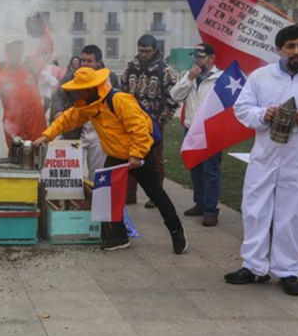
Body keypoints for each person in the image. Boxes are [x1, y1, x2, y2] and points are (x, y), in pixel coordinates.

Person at [225, 25, 298, 296]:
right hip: (266, 156)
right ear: (279, 50)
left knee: (294, 215)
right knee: (255, 210)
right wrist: (264, 114)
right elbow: (242, 107)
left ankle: (288, 271)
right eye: (290, 46)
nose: (296, 52)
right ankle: (254, 267)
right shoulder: (261, 76)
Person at [35, 67, 187, 253]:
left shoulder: (119, 100)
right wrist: (46, 136)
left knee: (155, 193)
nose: (76, 92)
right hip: (115, 155)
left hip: (138, 154)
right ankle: (117, 237)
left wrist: (136, 154)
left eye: (80, 88)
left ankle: (176, 231)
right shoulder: (88, 104)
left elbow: (139, 128)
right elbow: (68, 118)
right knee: (107, 197)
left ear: (91, 87)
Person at [121, 34, 179, 207]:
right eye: (140, 51)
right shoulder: (130, 68)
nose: (143, 54)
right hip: (133, 122)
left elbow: (173, 98)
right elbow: (122, 93)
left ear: (154, 50)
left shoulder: (165, 70)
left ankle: (155, 194)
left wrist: (162, 120)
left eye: (146, 51)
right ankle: (130, 193)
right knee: (131, 157)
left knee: (155, 160)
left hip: (155, 122)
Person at [170, 43, 223, 227]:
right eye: (195, 56)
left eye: (201, 56)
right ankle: (199, 203)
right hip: (191, 127)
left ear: (211, 58)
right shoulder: (189, 75)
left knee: (211, 171)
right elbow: (175, 95)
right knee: (195, 168)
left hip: (211, 130)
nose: (197, 60)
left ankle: (211, 209)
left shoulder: (221, 77)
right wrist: (189, 79)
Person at [50, 45, 120, 178]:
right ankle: (72, 197)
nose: (85, 64)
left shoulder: (111, 77)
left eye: (89, 61)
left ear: (98, 62)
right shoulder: (72, 76)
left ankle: (93, 197)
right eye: (83, 60)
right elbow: (58, 95)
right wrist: (58, 111)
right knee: (70, 172)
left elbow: (117, 101)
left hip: (99, 130)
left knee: (97, 173)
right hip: (76, 129)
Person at [0, 27, 54, 152]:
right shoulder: (0, 67)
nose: (15, 51)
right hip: (13, 119)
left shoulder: (30, 62)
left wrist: (43, 30)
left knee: (38, 151)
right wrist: (5, 74)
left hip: (35, 115)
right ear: (6, 49)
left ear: (22, 48)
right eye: (12, 47)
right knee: (15, 152)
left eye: (18, 47)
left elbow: (47, 50)